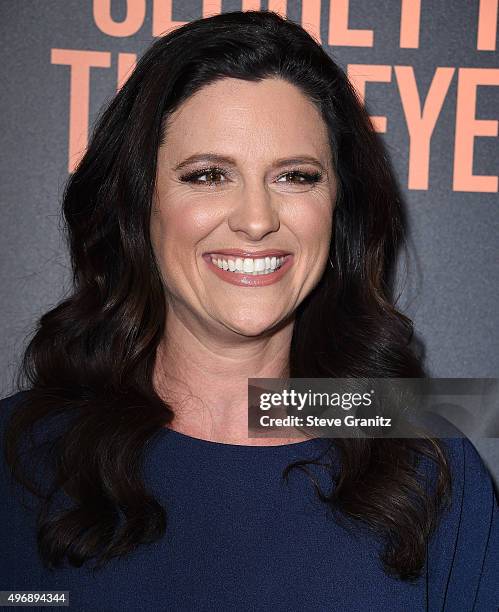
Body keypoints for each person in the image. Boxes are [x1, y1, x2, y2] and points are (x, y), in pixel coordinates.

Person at [0, 9, 497, 612]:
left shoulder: (427, 460)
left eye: (295, 176)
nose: (257, 219)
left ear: (338, 210)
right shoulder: (18, 457)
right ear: (136, 207)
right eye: (208, 175)